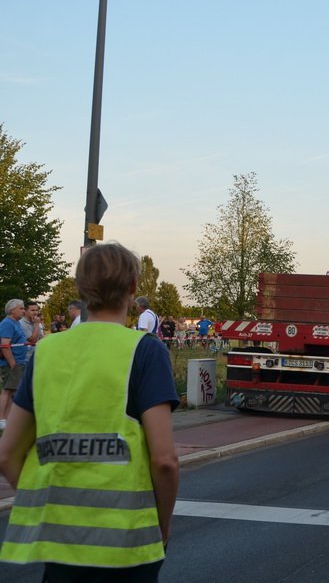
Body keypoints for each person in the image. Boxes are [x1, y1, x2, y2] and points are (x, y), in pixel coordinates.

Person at [0, 242, 180, 580]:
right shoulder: (144, 350)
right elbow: (164, 460)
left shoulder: (47, 351)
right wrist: (162, 526)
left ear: (80, 289)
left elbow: (7, 455)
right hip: (128, 545)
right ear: (132, 288)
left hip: (60, 545)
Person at [0, 299, 29, 431]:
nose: (24, 310)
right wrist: (13, 364)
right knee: (7, 390)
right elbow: (5, 345)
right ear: (12, 310)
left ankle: (8, 418)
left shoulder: (15, 322)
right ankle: (2, 419)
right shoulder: (7, 324)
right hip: (12, 363)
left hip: (19, 362)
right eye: (21, 308)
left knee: (13, 391)